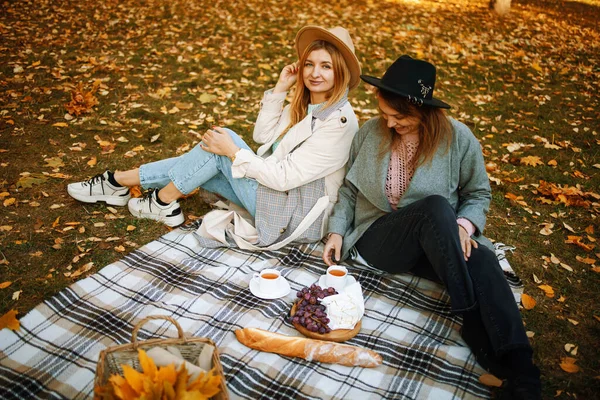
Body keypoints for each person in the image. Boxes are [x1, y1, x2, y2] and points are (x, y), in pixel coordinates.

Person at [322, 55, 541, 399]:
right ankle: (468, 313)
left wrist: (465, 226)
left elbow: (478, 192)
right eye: (385, 115)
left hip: (435, 242)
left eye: (400, 117)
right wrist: (336, 230)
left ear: (423, 110)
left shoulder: (458, 139)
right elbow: (350, 189)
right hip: (379, 239)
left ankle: (521, 369)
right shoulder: (369, 132)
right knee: (436, 208)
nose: (390, 124)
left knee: (483, 261)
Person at [68, 26, 360, 249]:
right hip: (277, 193)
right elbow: (262, 135)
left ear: (340, 72)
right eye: (309, 64)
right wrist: (281, 88)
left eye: (325, 66)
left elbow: (284, 178)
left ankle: (138, 191)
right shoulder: (310, 104)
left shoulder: (339, 123)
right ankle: (130, 188)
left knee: (223, 143)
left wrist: (233, 152)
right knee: (203, 162)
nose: (314, 73)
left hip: (295, 213)